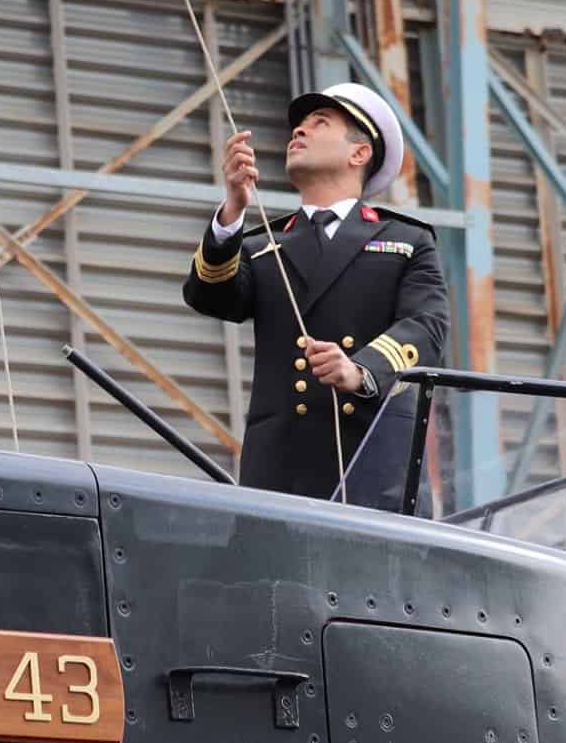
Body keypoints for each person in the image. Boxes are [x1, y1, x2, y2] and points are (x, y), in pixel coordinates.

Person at [183, 83, 449, 506]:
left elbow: (427, 325)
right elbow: (210, 295)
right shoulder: (262, 244)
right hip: (280, 472)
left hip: (371, 469)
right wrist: (232, 210)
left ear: (358, 154)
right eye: (297, 127)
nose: (298, 132)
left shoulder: (405, 240)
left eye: (318, 123)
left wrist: (360, 371)